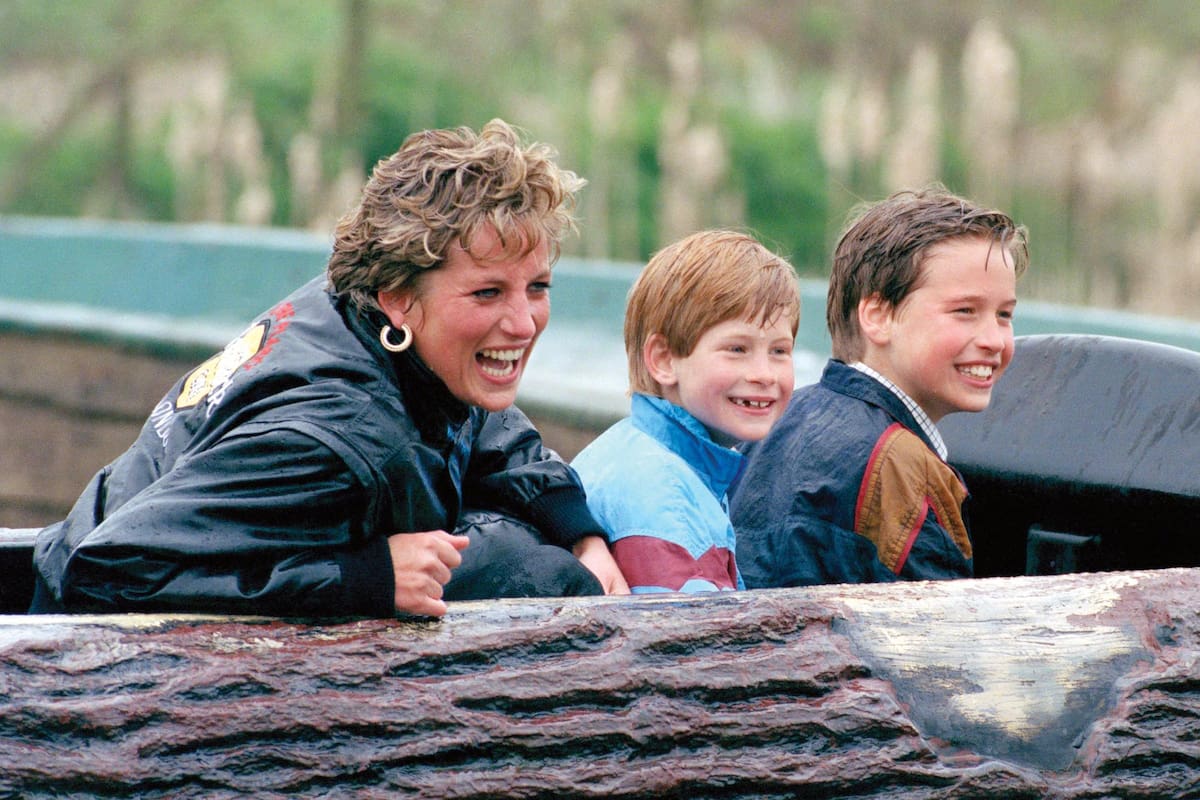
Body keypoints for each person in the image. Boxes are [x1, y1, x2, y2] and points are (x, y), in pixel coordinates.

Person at [30, 119, 628, 617]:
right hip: (84, 675)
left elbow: (481, 424)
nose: (523, 323)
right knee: (534, 576)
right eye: (487, 294)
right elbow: (106, 570)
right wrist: (364, 578)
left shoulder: (365, 318)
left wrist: (580, 531)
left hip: (110, 546)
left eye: (538, 287)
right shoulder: (337, 437)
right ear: (398, 296)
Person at [730, 186, 1029, 588]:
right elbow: (941, 638)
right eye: (965, 311)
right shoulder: (906, 469)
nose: (994, 339)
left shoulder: (775, 422)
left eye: (1004, 315)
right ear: (877, 316)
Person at [571, 230, 801, 593]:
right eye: (737, 349)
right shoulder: (665, 499)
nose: (764, 374)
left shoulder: (639, 450)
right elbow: (691, 643)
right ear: (663, 360)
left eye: (779, 351)